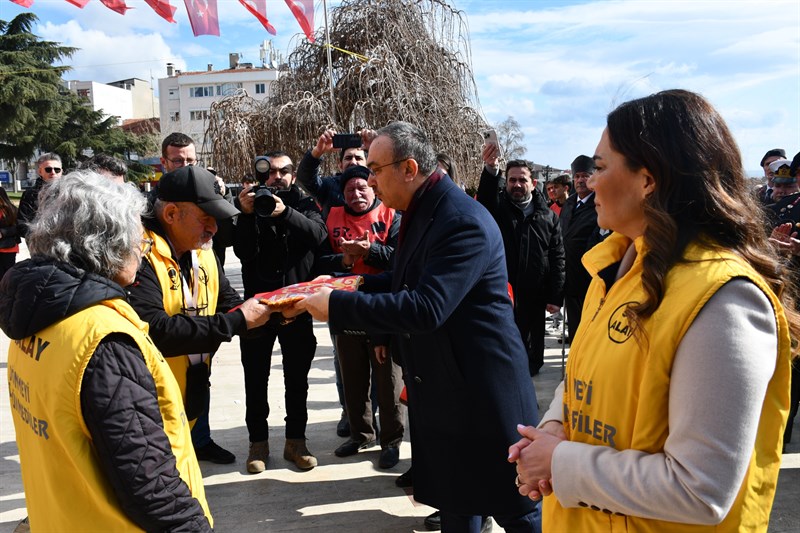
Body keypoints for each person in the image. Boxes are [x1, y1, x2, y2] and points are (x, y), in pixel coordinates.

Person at [510, 89, 795, 532]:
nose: (587, 180)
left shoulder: (725, 300)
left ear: (648, 180)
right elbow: (582, 377)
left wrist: (560, 462)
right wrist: (551, 429)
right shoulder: (614, 269)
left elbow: (701, 489)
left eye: (601, 167)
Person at [296, 121, 540, 532]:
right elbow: (403, 280)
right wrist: (348, 283)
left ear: (408, 168)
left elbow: (427, 306)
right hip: (446, 393)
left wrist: (338, 305)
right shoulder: (423, 210)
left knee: (515, 510)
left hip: (481, 398)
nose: (368, 179)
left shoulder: (461, 219)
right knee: (458, 505)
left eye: (375, 169)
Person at [0, 171, 213, 531]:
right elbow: (150, 482)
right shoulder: (103, 340)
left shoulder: (35, 317)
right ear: (108, 245)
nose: (142, 252)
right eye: (138, 242)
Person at [127, 164, 273, 466]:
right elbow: (156, 332)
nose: (214, 230)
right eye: (206, 219)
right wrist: (237, 321)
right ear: (170, 214)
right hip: (144, 403)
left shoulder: (202, 250)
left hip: (189, 391)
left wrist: (274, 312)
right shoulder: (136, 254)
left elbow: (228, 303)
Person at [233, 150, 328, 473]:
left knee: (297, 379)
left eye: (283, 171)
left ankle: (295, 442)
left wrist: (284, 212)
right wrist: (245, 215)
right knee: (254, 379)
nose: (276, 177)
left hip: (296, 308)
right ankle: (257, 443)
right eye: (270, 172)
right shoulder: (251, 207)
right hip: (257, 309)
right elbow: (243, 253)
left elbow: (318, 236)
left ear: (292, 174)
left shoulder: (303, 205)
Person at [315, 164, 405, 468]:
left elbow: (399, 260)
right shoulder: (332, 217)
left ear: (372, 187)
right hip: (345, 308)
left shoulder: (392, 215)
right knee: (352, 378)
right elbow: (318, 261)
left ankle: (391, 441)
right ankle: (361, 433)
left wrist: (369, 251)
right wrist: (345, 257)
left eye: (362, 187)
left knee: (388, 379)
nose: (356, 194)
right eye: (350, 189)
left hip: (382, 309)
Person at [476, 149, 564, 376]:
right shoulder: (498, 209)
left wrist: (555, 297)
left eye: (522, 180)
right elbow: (485, 198)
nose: (517, 184)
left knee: (531, 359)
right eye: (512, 180)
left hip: (536, 296)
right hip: (503, 295)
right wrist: (491, 168)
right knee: (505, 355)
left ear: (533, 183)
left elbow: (557, 257)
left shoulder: (548, 217)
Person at [559, 154, 601, 343]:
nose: (580, 180)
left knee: (590, 332)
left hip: (589, 280)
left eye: (585, 175)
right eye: (577, 176)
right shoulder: (569, 204)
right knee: (575, 329)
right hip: (568, 277)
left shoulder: (600, 204)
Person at [18, 152, 62, 239]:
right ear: (40, 171)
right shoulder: (30, 194)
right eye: (48, 169)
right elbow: (21, 224)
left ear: (61, 171)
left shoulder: (70, 191)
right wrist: (40, 237)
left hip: (69, 246)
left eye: (57, 169)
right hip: (40, 246)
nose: (53, 172)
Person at [0, 187, 19, 279]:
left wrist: (2, 233)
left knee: (8, 276)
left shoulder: (11, 210)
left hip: (8, 248)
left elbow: (17, 228)